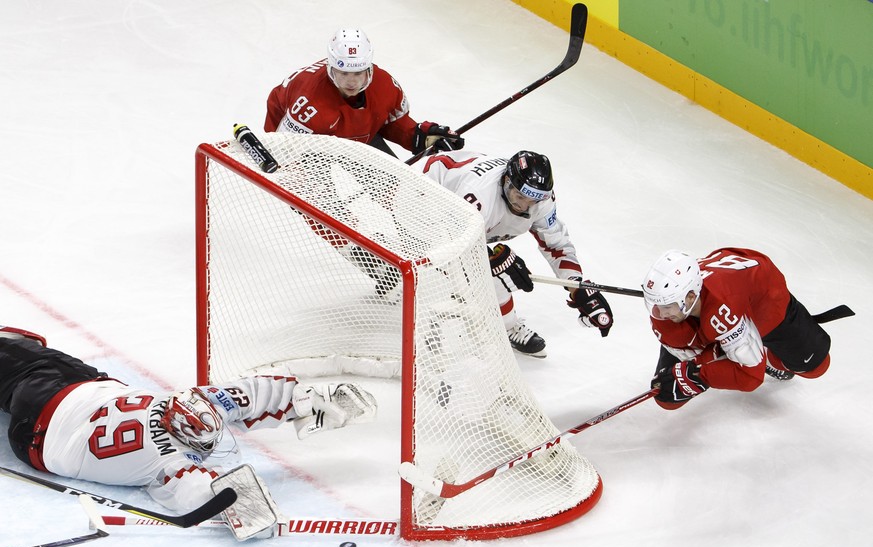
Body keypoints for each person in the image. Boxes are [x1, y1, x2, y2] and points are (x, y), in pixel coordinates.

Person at [0, 326, 377, 539]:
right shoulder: (173, 463)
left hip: (60, 391)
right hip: (35, 438)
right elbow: (210, 496)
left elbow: (249, 398)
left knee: (26, 354)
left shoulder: (187, 405)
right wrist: (251, 515)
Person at [415, 149, 614, 357]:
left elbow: (556, 244)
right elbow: (452, 242)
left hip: (455, 213)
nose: (524, 206)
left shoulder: (541, 200)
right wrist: (494, 260)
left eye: (532, 201)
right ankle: (507, 325)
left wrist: (577, 286)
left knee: (494, 269)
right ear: (507, 181)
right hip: (419, 195)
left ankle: (505, 324)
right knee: (486, 274)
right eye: (520, 196)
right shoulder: (479, 195)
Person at [641, 248, 832, 410]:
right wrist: (690, 375)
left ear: (690, 297)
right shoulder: (668, 306)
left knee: (816, 367)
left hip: (765, 304)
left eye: (666, 306)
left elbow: (750, 377)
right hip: (721, 303)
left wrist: (700, 375)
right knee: (667, 397)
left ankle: (769, 356)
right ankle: (729, 346)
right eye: (656, 304)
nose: (661, 314)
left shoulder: (723, 306)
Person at [264, 28, 464, 157]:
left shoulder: (385, 85)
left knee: (395, 185)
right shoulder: (309, 105)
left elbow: (390, 123)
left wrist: (420, 137)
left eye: (358, 73)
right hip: (307, 143)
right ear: (330, 68)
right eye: (343, 73)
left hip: (354, 134)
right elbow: (286, 153)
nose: (351, 82)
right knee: (324, 207)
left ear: (369, 67)